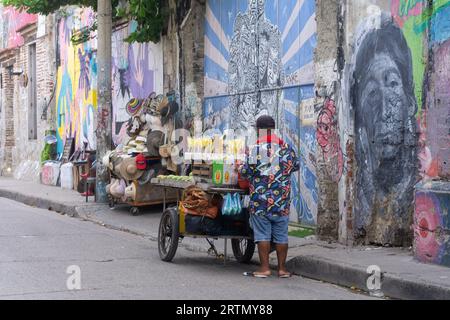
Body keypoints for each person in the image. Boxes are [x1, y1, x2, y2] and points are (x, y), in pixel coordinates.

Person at [238, 115, 299, 278]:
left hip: (261, 201)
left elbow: (244, 173)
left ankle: (264, 268)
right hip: (282, 201)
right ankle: (282, 269)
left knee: (262, 234)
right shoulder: (286, 147)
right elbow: (296, 165)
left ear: (260, 131)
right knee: (281, 234)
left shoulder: (256, 149)